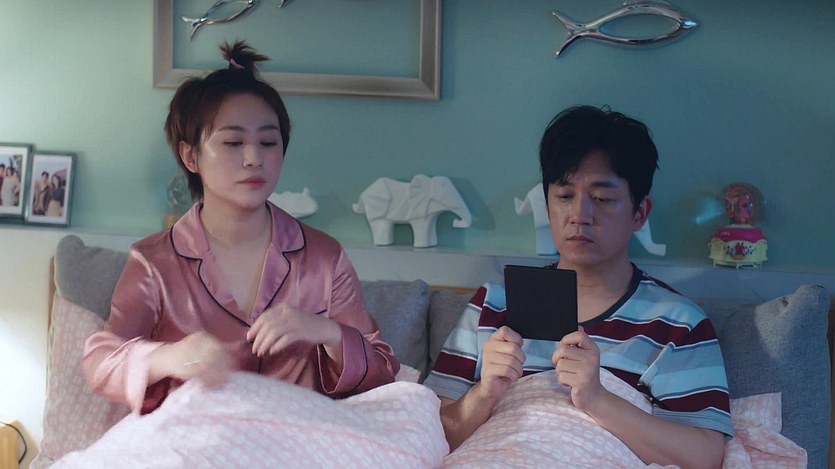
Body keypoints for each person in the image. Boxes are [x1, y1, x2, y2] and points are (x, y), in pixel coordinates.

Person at [83, 40, 399, 415]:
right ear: (190, 156)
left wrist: (326, 332)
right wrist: (169, 356)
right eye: (233, 142)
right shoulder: (154, 262)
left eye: (268, 142)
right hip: (192, 439)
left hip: (297, 437)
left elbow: (383, 371)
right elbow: (101, 362)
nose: (254, 158)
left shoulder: (324, 259)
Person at [423, 106, 731, 468]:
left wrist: (598, 398)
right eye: (565, 196)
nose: (579, 215)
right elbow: (426, 436)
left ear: (639, 213)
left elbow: (704, 457)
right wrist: (484, 394)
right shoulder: (492, 306)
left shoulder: (678, 323)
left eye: (602, 198)